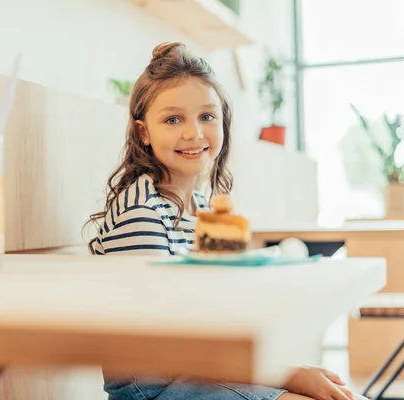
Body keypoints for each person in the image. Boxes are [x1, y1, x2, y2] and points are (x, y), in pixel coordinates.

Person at [85, 41, 365, 400]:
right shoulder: (142, 214)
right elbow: (162, 341)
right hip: (154, 391)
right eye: (173, 119)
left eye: (207, 116)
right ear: (143, 132)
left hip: (196, 375)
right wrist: (286, 375)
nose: (194, 133)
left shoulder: (200, 208)